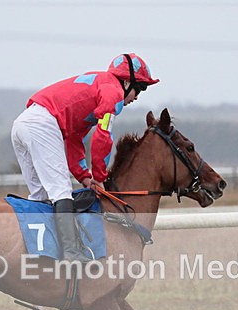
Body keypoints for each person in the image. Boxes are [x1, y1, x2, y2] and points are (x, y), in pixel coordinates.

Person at [11, 53, 159, 261]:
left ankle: (40, 257)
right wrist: (99, 177)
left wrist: (84, 177)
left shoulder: (100, 87)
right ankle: (71, 253)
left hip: (22, 124)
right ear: (127, 82)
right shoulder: (113, 92)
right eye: (140, 88)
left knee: (41, 197)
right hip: (42, 125)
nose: (137, 97)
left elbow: (74, 139)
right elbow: (103, 137)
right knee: (61, 191)